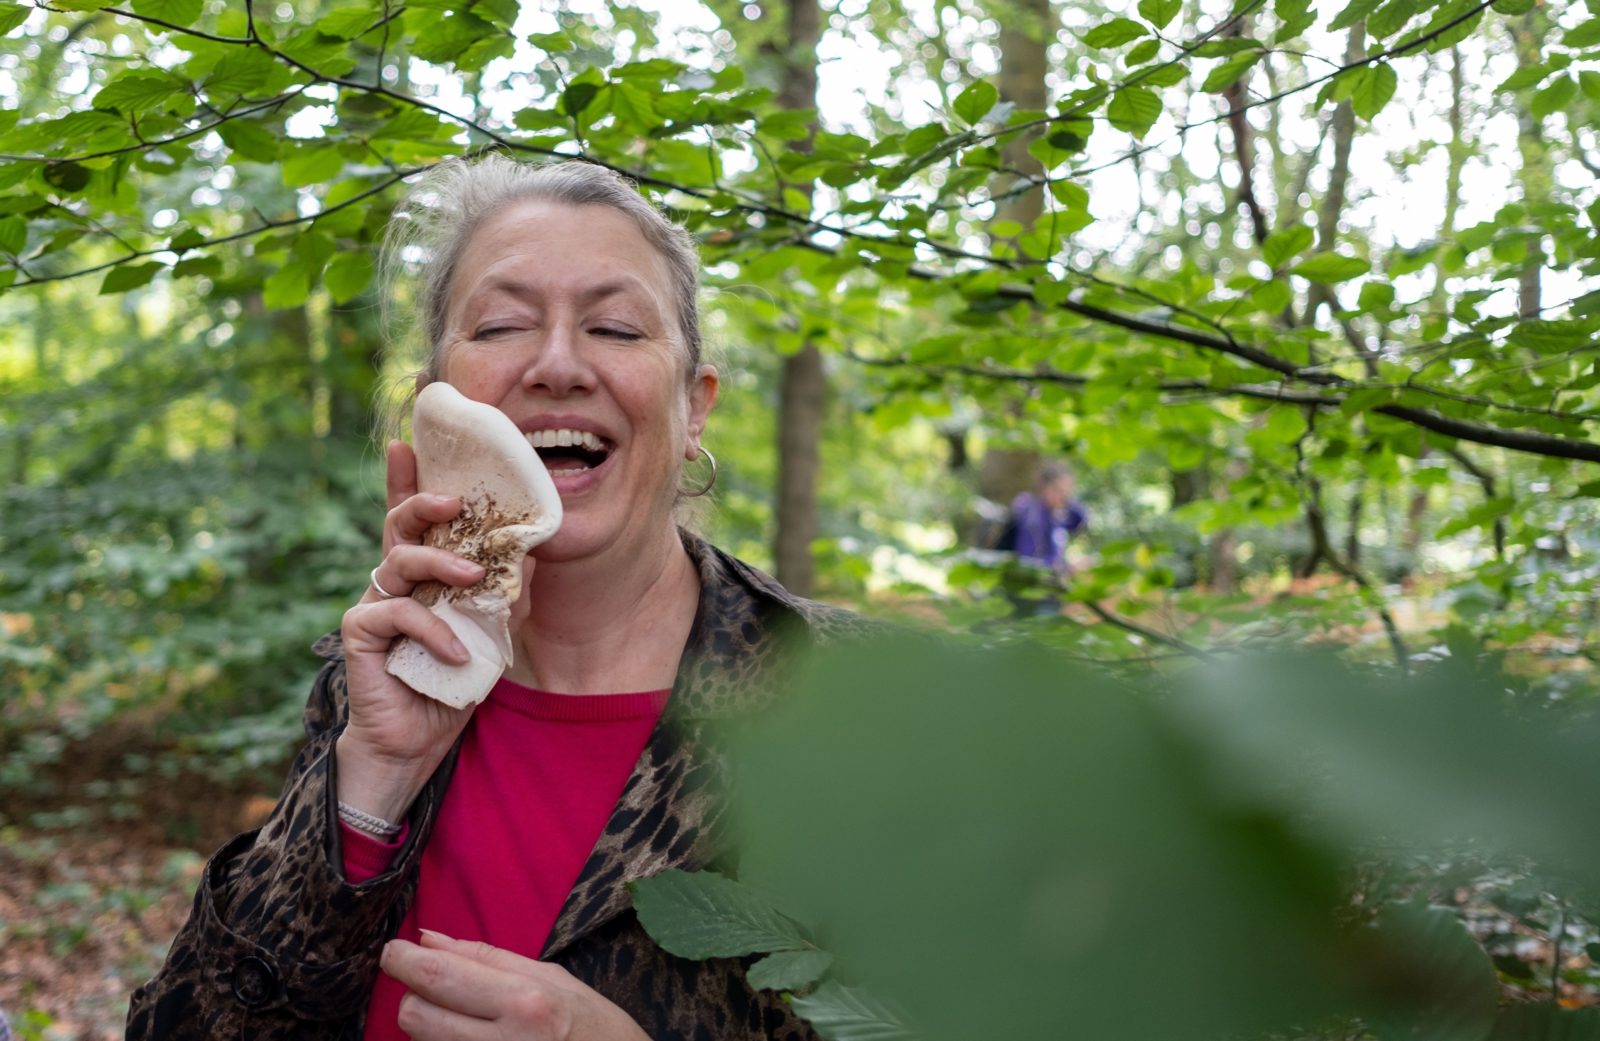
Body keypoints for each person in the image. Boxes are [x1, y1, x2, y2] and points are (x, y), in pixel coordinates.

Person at [126, 156, 865, 1041]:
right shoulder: (377, 680)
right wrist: (375, 780)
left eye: (619, 329)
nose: (558, 365)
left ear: (693, 406)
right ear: (433, 404)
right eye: (504, 324)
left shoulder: (855, 702)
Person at [1007, 462, 1088, 577]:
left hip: (1047, 583)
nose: (1063, 496)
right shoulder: (1030, 512)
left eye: (1067, 492)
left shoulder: (1054, 513)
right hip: (1028, 588)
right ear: (1043, 487)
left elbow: (1080, 520)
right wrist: (1067, 569)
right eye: (1057, 490)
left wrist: (1068, 501)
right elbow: (1028, 562)